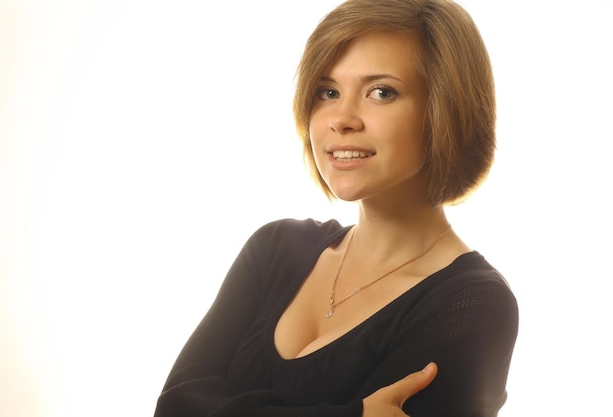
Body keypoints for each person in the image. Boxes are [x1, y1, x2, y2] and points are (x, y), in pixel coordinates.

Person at [154, 0, 519, 416]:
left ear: (444, 110)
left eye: (381, 92)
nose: (340, 118)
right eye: (327, 92)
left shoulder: (473, 305)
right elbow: (173, 407)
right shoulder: (275, 249)